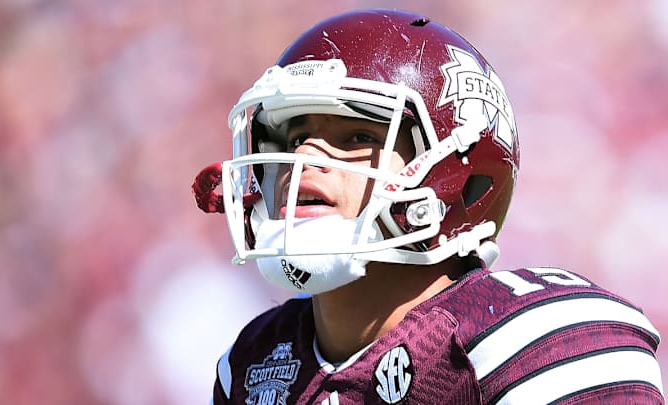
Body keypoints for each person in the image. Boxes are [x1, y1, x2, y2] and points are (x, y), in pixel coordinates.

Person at [193, 8, 664, 405]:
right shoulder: (254, 364)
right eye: (296, 137)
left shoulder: (532, 341)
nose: (304, 158)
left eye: (356, 136)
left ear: (455, 175)